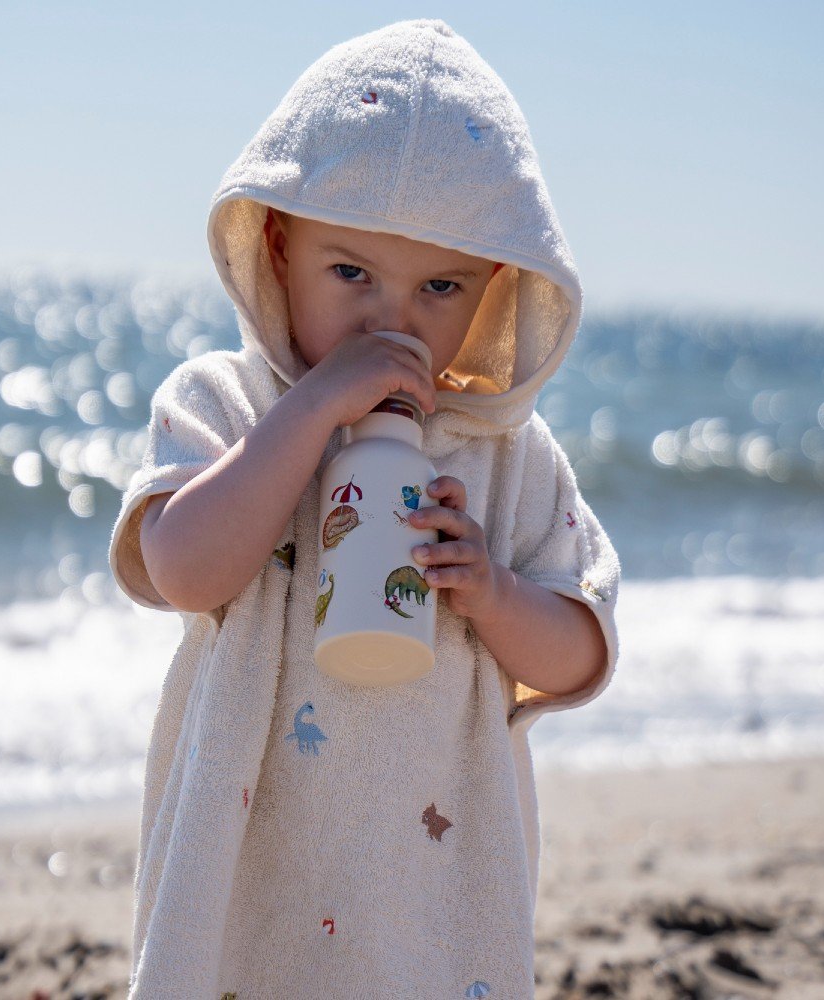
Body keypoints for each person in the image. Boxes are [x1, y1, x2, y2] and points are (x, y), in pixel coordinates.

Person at [109, 18, 621, 999]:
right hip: (253, 828)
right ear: (277, 243)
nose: (393, 319)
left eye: (440, 286)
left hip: (432, 856)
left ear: (495, 291)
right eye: (351, 273)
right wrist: (309, 413)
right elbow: (184, 569)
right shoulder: (233, 405)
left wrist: (495, 593)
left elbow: (582, 650)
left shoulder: (505, 457)